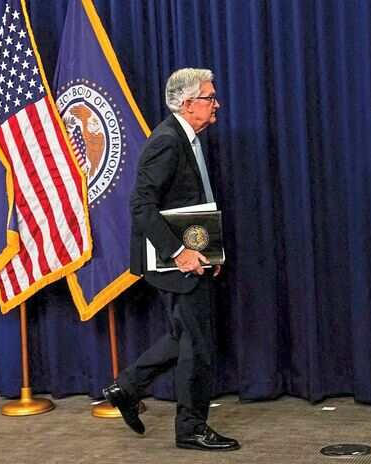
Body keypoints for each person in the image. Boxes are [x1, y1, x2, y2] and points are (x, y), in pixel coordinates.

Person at [103, 68, 240, 452]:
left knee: (186, 338)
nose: (216, 104)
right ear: (187, 103)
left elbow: (188, 204)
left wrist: (210, 251)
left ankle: (126, 387)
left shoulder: (186, 138)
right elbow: (141, 206)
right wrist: (180, 254)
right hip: (173, 261)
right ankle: (191, 429)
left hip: (191, 256)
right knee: (197, 346)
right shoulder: (167, 141)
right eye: (210, 98)